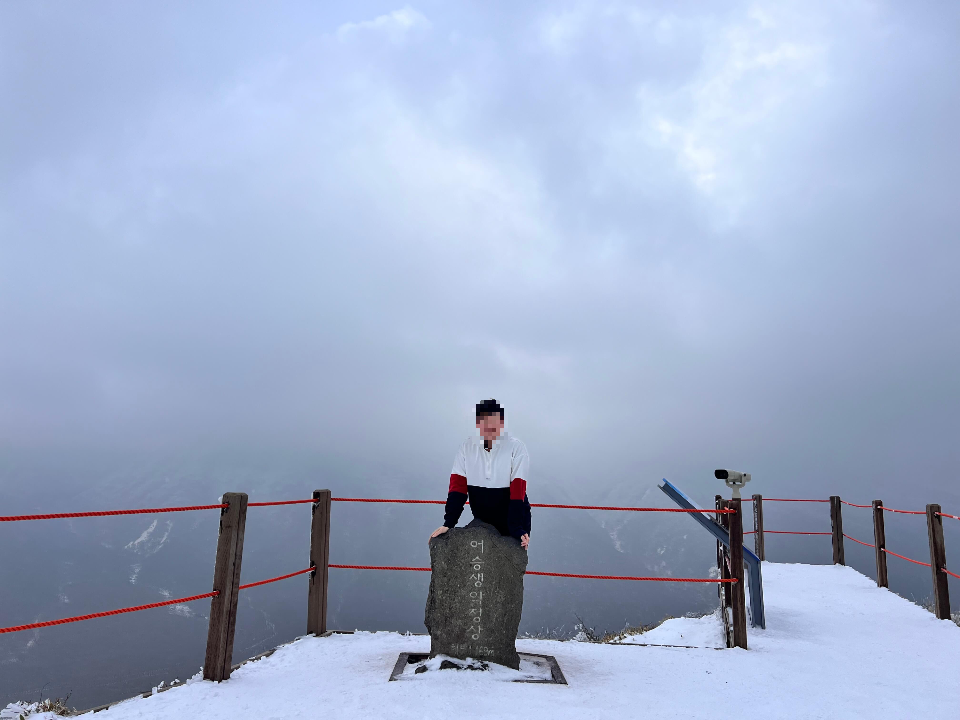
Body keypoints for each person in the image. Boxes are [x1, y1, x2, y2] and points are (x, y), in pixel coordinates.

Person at [429, 399, 531, 549]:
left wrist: (517, 528)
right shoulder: (467, 447)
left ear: (502, 423)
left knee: (509, 569)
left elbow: (518, 492)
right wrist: (448, 523)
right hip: (482, 522)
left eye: (494, 422)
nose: (489, 427)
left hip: (514, 522)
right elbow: (458, 489)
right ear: (478, 423)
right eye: (484, 422)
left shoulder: (516, 448)